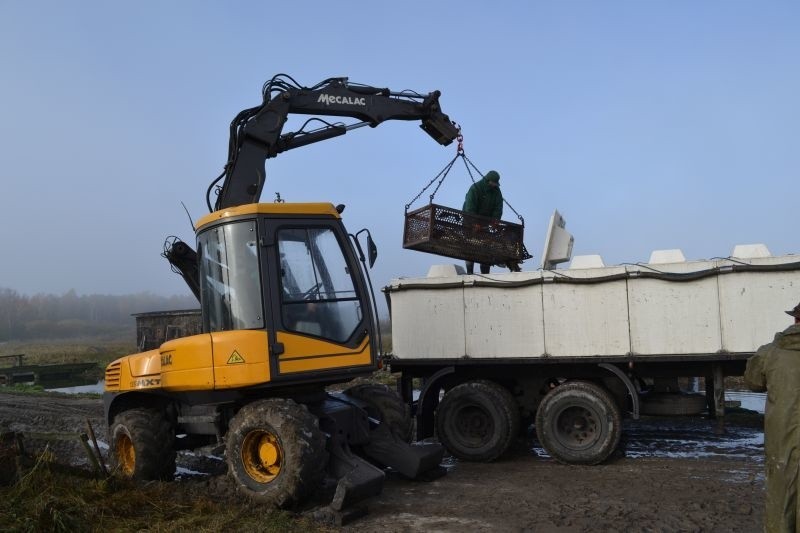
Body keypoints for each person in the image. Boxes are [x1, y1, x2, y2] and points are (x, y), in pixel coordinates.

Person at [744, 301, 800, 533]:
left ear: (795, 320)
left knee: (781, 497)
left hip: (781, 441)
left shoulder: (770, 351)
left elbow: (754, 382)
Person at [462, 170, 503, 275]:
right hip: (469, 223)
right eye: (494, 183)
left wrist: (495, 221)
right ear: (488, 181)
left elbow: (498, 208)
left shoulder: (497, 192)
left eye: (496, 184)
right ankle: (470, 273)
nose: (495, 185)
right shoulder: (475, 189)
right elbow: (470, 208)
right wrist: (474, 223)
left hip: (484, 225)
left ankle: (485, 275)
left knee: (485, 250)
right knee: (470, 247)